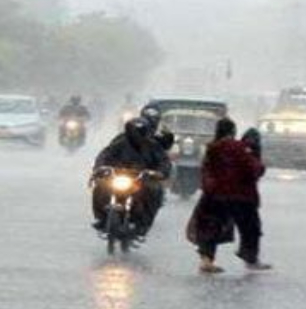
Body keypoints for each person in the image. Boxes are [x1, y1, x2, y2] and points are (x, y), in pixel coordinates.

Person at [189, 117, 271, 274]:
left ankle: (206, 261)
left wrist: (208, 188)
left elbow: (206, 170)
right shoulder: (240, 148)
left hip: (214, 196)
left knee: (210, 227)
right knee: (250, 228)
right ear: (233, 131)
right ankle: (250, 259)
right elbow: (255, 170)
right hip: (241, 197)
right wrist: (256, 158)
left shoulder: (212, 148)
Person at [90, 118, 171, 231]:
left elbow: (164, 161)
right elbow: (104, 155)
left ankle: (144, 222)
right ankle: (101, 218)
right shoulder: (119, 143)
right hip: (118, 176)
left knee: (154, 190)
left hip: (142, 178)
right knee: (100, 187)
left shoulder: (153, 146)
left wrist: (158, 172)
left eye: (140, 131)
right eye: (134, 131)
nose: (137, 135)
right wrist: (100, 168)